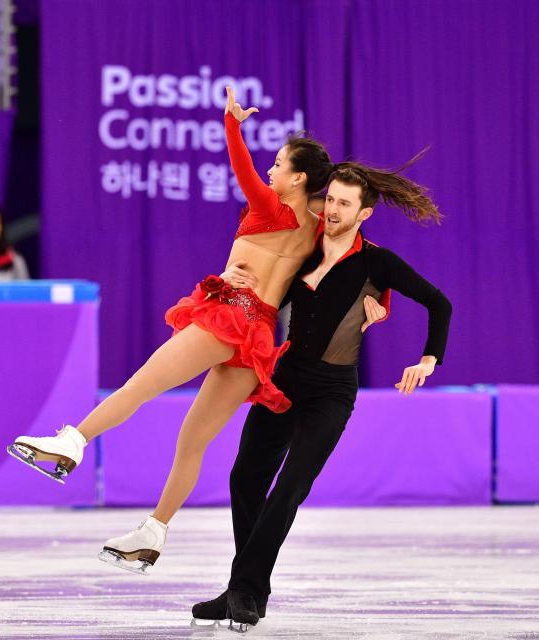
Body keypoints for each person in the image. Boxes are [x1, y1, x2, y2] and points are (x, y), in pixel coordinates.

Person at [8, 86, 334, 572]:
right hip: (258, 337)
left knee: (140, 385)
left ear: (298, 177)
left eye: (279, 164)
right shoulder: (319, 229)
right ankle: (154, 532)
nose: (270, 170)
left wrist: (231, 123)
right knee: (193, 441)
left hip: (229, 317)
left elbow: (241, 168)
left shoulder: (271, 207)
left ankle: (71, 443)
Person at [190, 162, 452, 631]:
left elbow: (439, 302)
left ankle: (245, 591)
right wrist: (239, 284)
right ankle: (244, 589)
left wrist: (428, 359)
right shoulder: (305, 249)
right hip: (286, 377)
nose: (331, 209)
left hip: (331, 391)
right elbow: (268, 294)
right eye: (329, 199)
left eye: (343, 204)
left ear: (364, 214)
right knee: (245, 477)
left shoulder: (377, 262)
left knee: (289, 489)